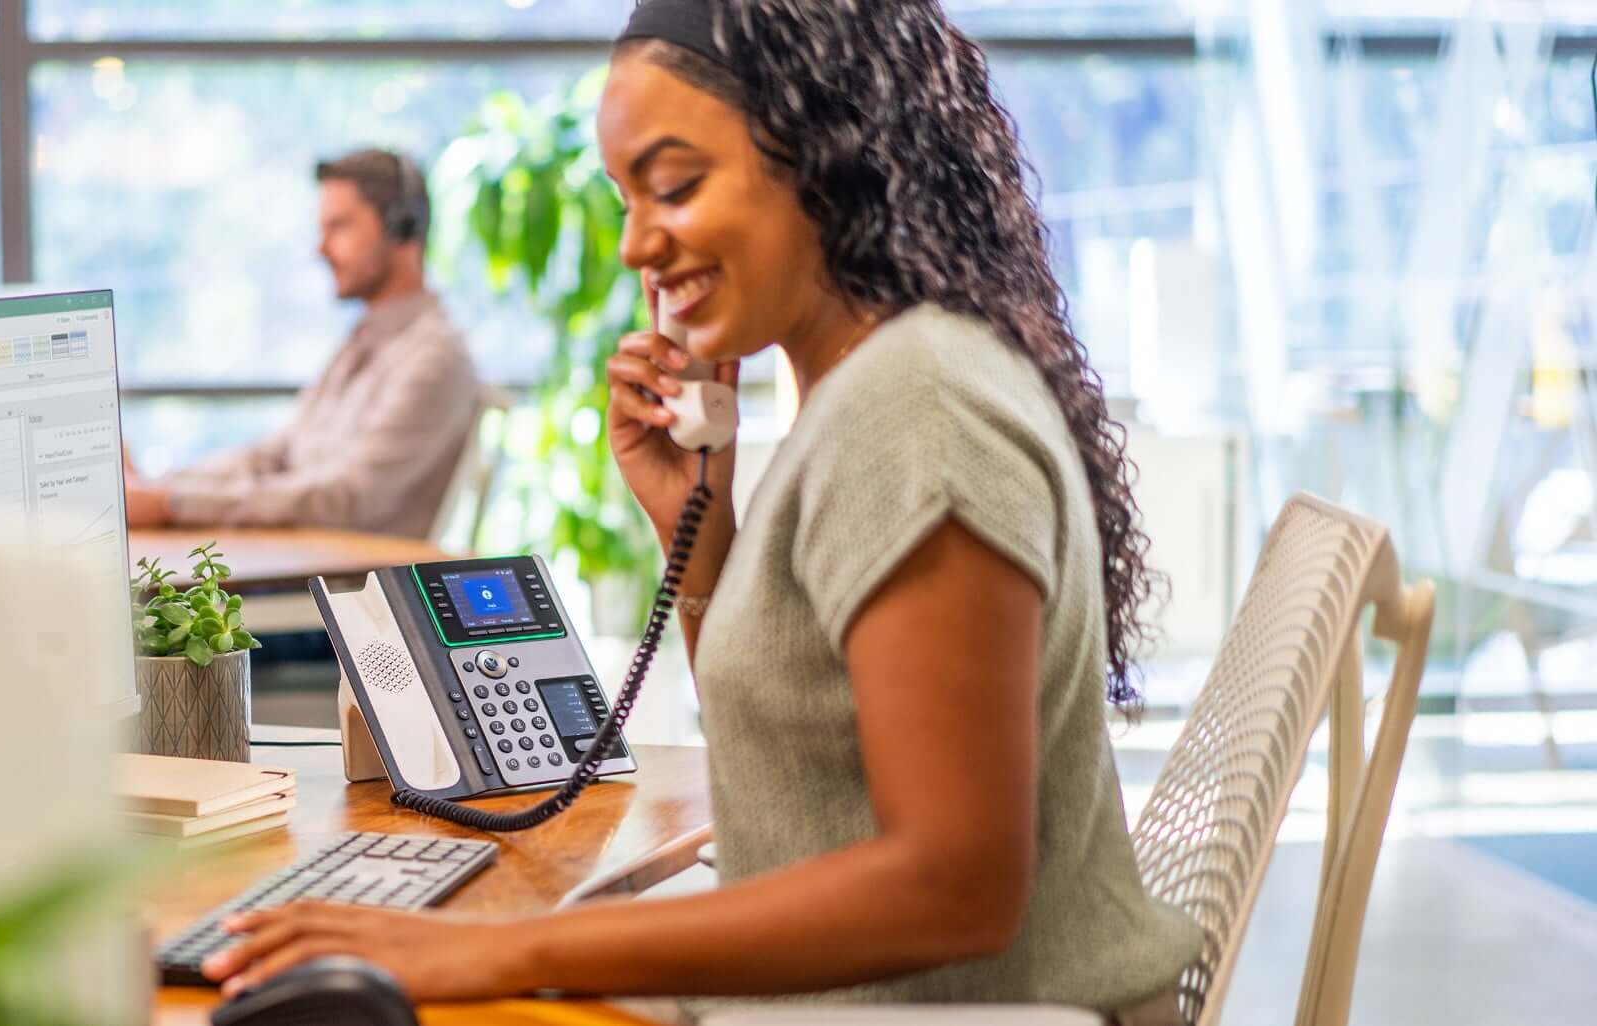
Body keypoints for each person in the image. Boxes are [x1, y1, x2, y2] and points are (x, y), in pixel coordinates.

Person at [200, 1, 1204, 1022]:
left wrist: (505, 947)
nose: (636, 245)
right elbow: (800, 745)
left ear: (825, 147)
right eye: (626, 200)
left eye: (674, 187)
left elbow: (953, 888)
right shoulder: (870, 386)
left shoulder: (913, 407)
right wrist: (697, 520)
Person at [123, 147, 480, 537]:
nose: (320, 249)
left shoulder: (434, 359)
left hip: (352, 567)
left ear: (402, 228)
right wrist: (160, 487)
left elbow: (342, 499)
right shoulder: (365, 340)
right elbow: (276, 455)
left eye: (339, 227)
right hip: (308, 553)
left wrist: (170, 504)